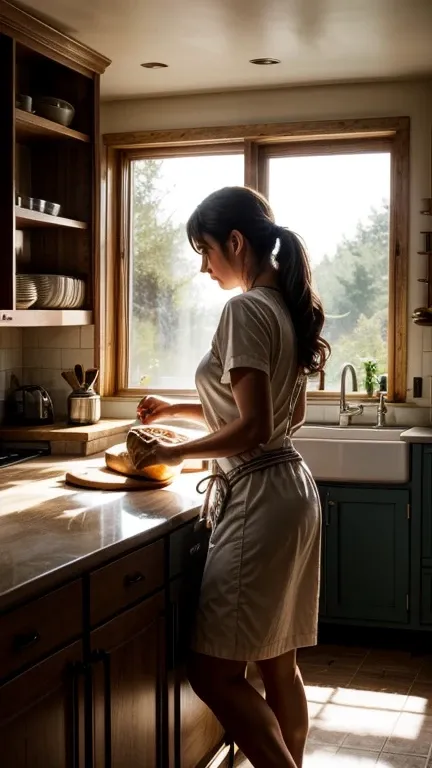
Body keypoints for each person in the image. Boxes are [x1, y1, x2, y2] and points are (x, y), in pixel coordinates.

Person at [128, 186, 330, 768]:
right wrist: (174, 410)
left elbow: (252, 427)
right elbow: (282, 416)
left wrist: (171, 452)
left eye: (205, 250)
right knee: (278, 662)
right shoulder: (284, 309)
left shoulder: (243, 309)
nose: (203, 265)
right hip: (293, 490)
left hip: (261, 499)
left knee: (212, 673)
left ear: (235, 242)